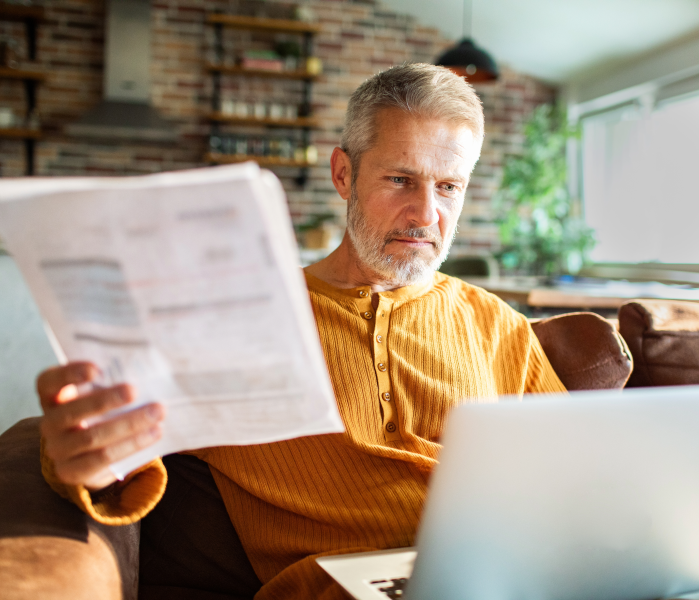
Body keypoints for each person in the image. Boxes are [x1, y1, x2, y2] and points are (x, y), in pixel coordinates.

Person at [36, 63, 566, 599]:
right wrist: (80, 458)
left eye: (449, 187)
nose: (426, 214)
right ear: (343, 174)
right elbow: (113, 462)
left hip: (504, 574)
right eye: (400, 180)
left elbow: (579, 475)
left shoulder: (498, 324)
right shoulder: (232, 318)